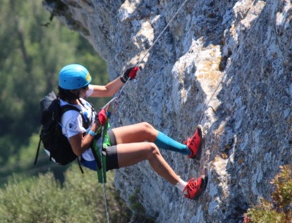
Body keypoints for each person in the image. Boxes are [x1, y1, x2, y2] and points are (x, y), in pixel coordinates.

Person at [57, 63, 207, 200]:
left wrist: (125, 76)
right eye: (84, 87)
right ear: (74, 90)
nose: (87, 88)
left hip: (99, 139)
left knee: (145, 128)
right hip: (94, 156)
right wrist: (97, 124)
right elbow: (78, 149)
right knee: (150, 150)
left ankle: (188, 150)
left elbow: (107, 90)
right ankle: (185, 189)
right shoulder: (70, 116)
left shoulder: (76, 94)